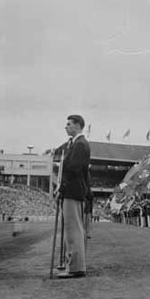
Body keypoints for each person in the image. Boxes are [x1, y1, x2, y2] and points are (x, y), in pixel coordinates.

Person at [57, 114, 90, 279]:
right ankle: (73, 264)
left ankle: (76, 267)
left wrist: (61, 187)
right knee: (71, 229)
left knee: (73, 230)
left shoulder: (80, 144)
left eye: (69, 124)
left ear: (77, 125)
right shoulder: (76, 144)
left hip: (72, 190)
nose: (66, 127)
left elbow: (73, 168)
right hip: (71, 190)